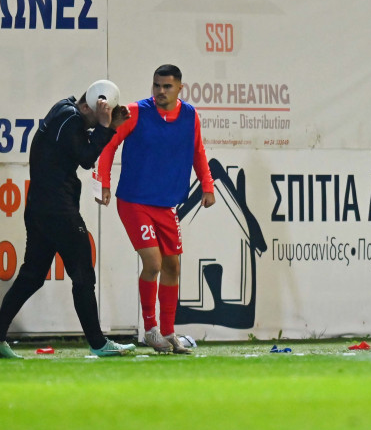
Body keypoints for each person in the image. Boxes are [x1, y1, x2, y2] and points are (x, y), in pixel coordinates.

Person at [0, 85, 136, 358]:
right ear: (87, 107)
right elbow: (86, 159)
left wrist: (105, 125)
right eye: (94, 117)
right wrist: (107, 127)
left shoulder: (63, 109)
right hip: (58, 211)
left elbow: (76, 144)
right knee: (84, 275)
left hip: (39, 208)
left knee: (32, 276)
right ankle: (98, 343)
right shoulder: (73, 120)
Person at [97, 64, 215, 355]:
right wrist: (104, 183)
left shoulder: (190, 116)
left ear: (179, 89)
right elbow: (109, 146)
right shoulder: (135, 112)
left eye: (167, 87)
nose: (161, 91)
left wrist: (207, 185)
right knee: (153, 263)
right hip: (134, 201)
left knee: (173, 266)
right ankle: (150, 330)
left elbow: (198, 151)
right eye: (156, 86)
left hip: (166, 204)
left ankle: (168, 332)